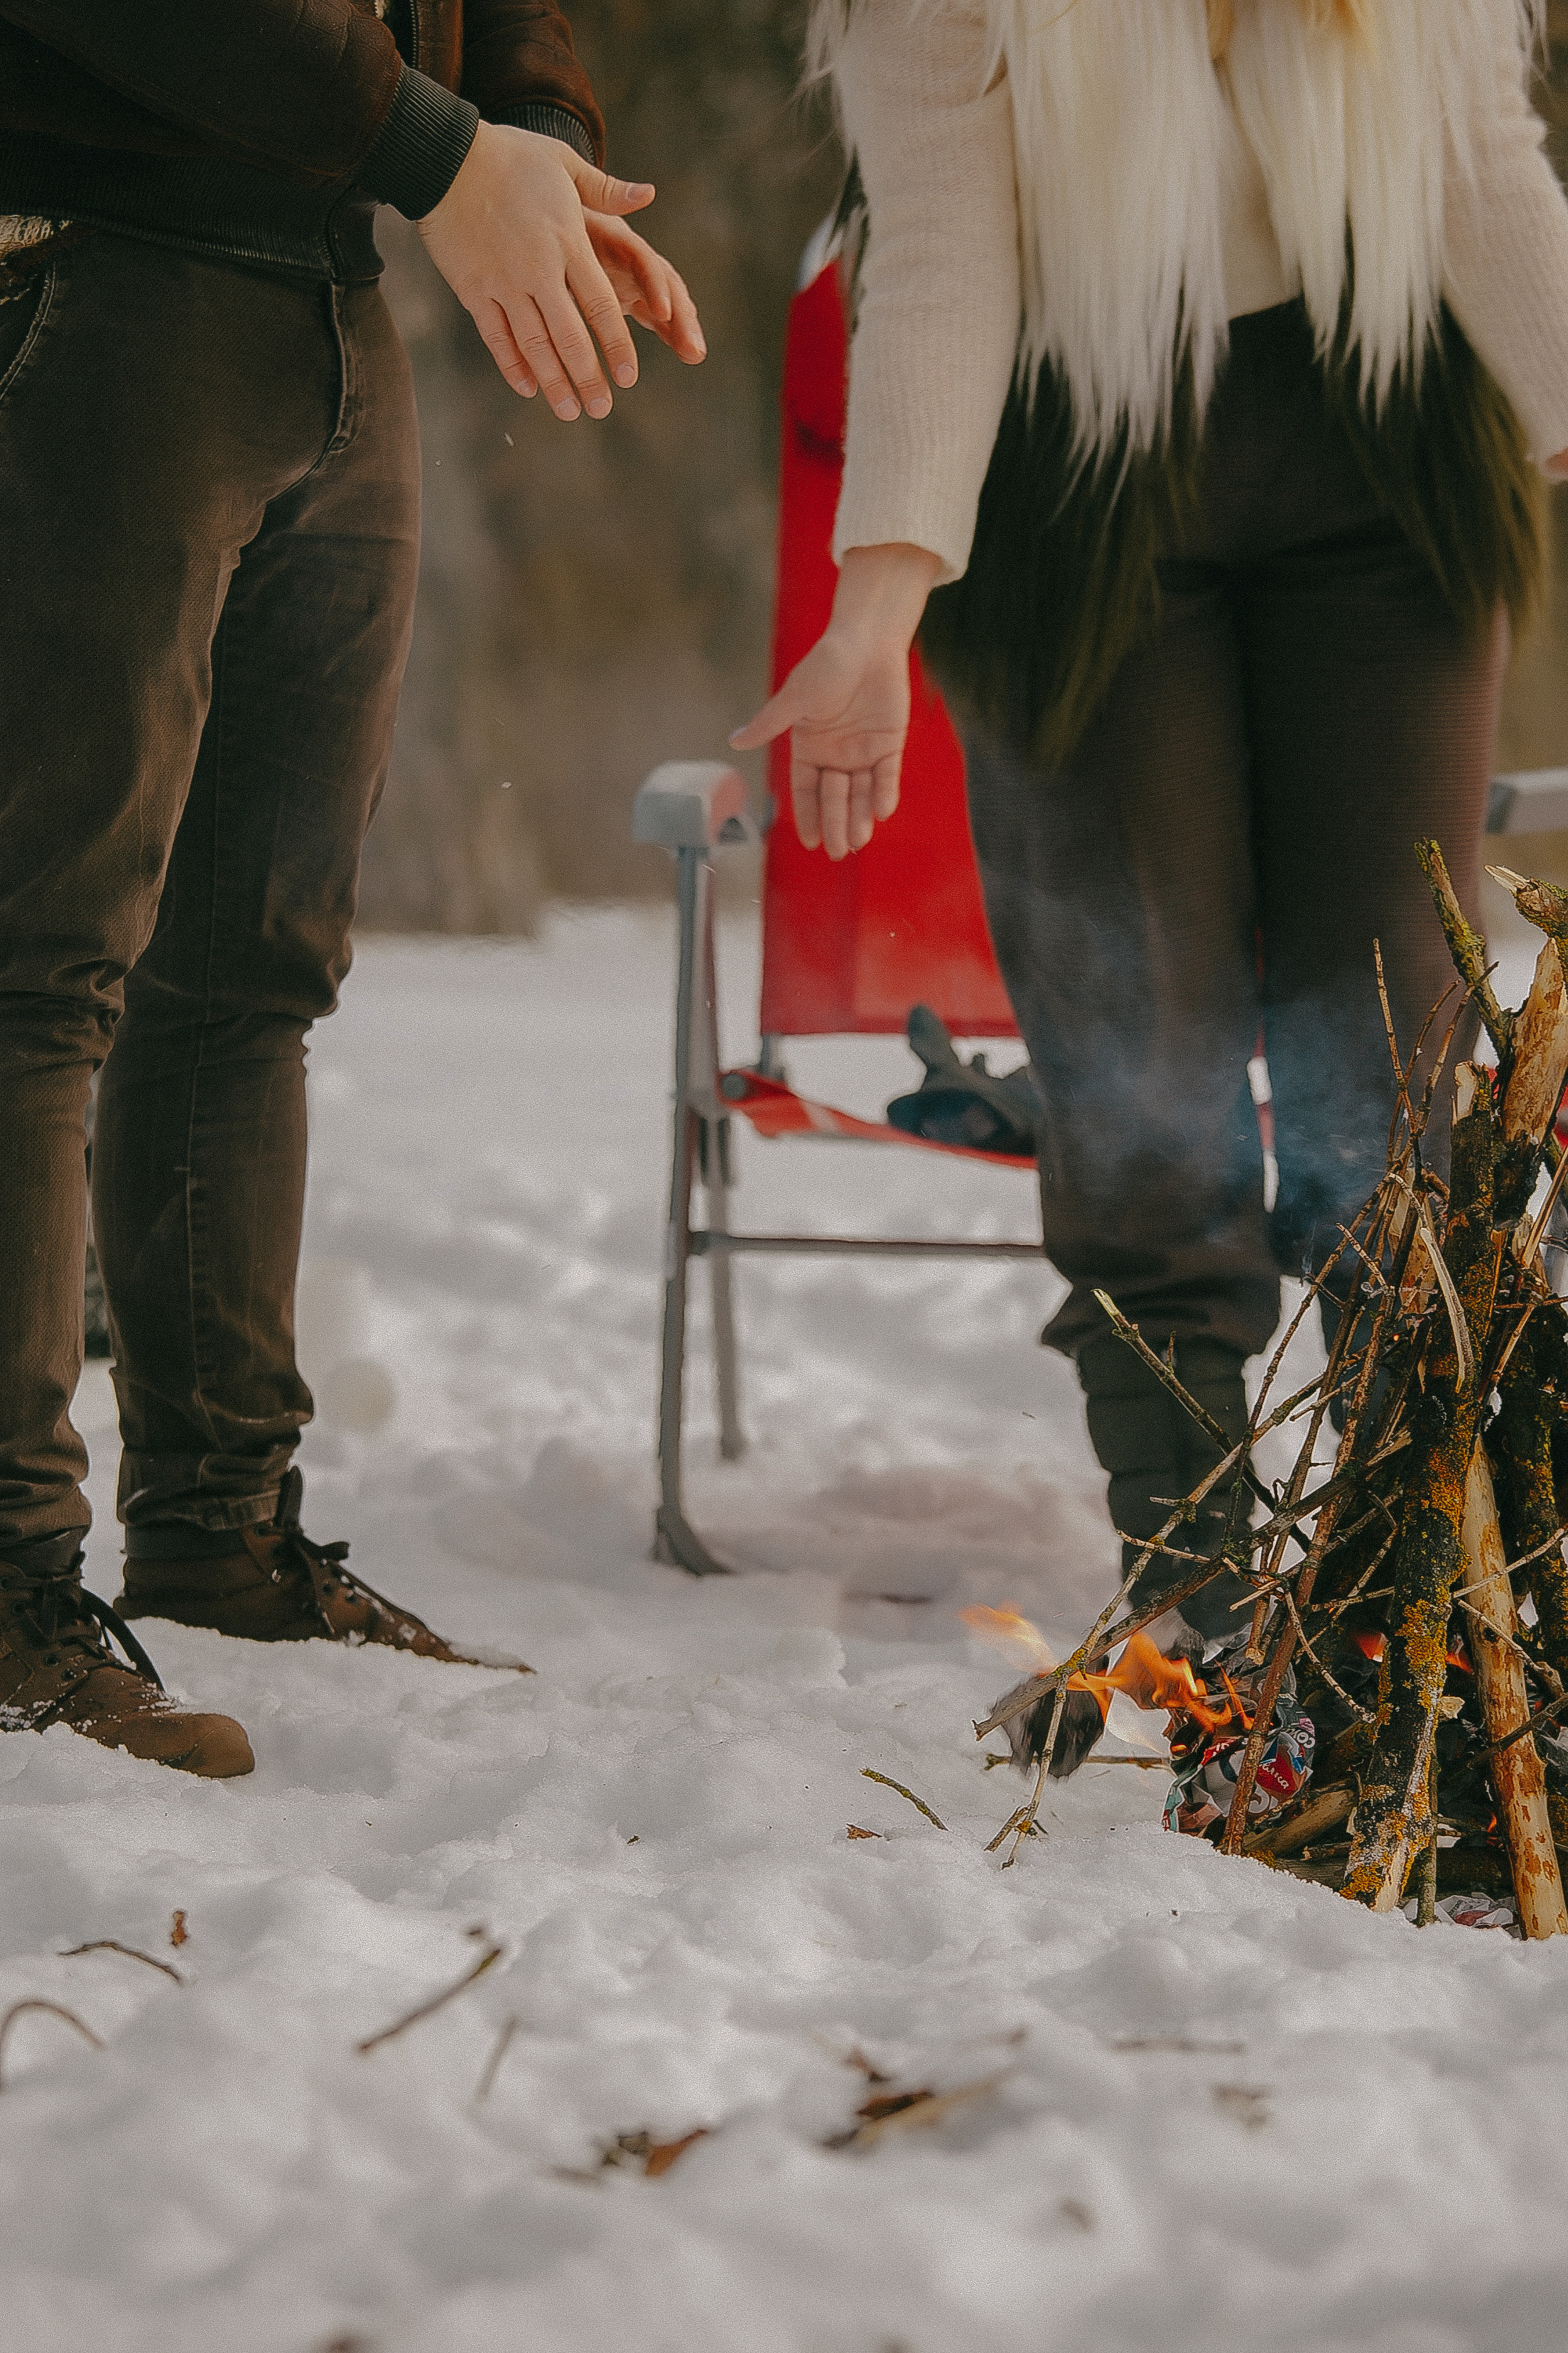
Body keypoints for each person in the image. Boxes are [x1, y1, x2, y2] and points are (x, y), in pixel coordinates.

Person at [735, 0, 1568, 1768]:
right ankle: (1196, 1594)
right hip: (1071, 488)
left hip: (1385, 456)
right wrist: (870, 613)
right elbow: (942, 260)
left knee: (1393, 1064)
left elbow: (1489, 185)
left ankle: (1417, 1589)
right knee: (1141, 1063)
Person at [0, 1, 705, 1778]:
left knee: (252, 971)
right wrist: (442, 153)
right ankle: (8, 1585)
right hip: (86, 259)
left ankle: (222, 1535)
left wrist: (526, 127)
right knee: (38, 960)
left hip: (331, 291)